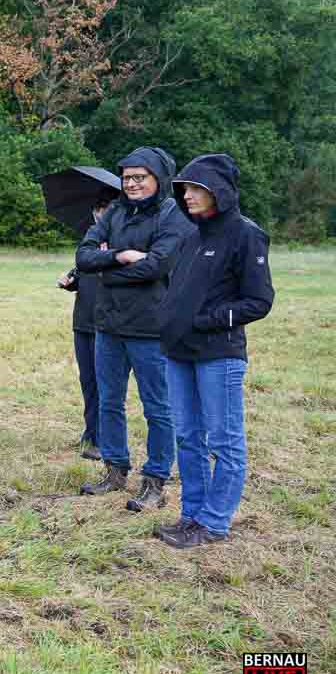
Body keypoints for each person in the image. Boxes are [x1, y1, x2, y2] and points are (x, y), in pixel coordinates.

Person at [155, 154, 273, 548]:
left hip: (218, 355)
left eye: (196, 188)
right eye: (184, 189)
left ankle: (215, 523)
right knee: (187, 438)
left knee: (224, 442)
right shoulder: (192, 236)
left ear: (218, 191)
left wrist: (209, 319)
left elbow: (259, 301)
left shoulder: (246, 234)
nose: (187, 196)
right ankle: (191, 516)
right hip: (178, 352)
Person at [75, 147, 193, 512]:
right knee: (109, 401)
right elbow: (83, 256)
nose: (131, 184)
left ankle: (156, 480)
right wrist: (119, 256)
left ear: (159, 178)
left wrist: (105, 269)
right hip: (108, 325)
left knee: (157, 407)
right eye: (127, 178)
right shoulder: (115, 211)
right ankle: (115, 470)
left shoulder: (174, 216)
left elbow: (156, 266)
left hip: (151, 329)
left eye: (140, 177)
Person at [57, 197, 114, 460]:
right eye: (97, 208)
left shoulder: (125, 243)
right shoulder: (88, 241)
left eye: (107, 209)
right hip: (83, 321)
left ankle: (103, 440)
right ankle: (90, 433)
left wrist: (108, 255)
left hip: (108, 324)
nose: (100, 213)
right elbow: (81, 273)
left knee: (105, 384)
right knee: (88, 381)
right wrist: (70, 281)